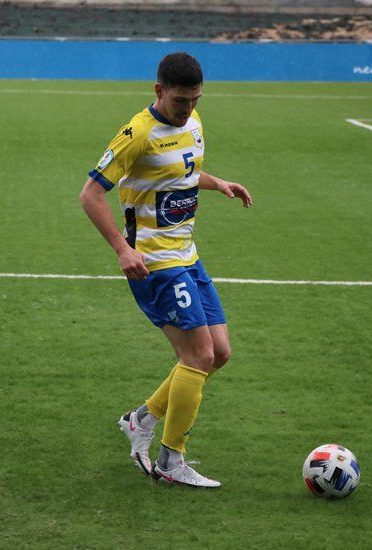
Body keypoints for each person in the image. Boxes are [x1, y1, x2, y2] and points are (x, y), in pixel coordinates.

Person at [79, 52, 252, 488]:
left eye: (195, 99)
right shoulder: (137, 133)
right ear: (159, 91)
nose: (188, 108)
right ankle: (171, 461)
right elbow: (90, 195)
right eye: (180, 101)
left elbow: (185, 172)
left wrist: (219, 184)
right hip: (154, 264)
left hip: (187, 255)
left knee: (220, 354)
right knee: (198, 356)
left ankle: (140, 420)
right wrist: (122, 249)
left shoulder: (193, 123)